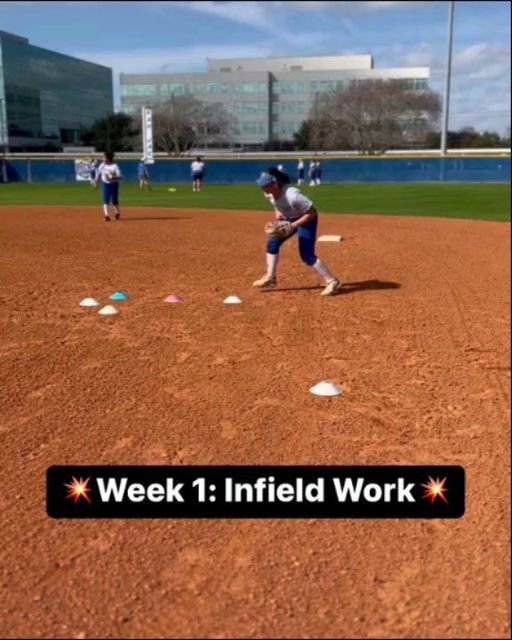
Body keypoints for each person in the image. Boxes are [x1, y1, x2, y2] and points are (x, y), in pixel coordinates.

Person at [254, 167, 342, 296]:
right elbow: (277, 206)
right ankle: (270, 277)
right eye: (262, 185)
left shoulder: (293, 195)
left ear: (275, 183)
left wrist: (294, 225)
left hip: (306, 219)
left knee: (306, 255)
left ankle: (332, 281)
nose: (263, 188)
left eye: (266, 185)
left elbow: (311, 213)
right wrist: (279, 218)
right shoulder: (269, 193)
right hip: (289, 218)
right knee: (272, 243)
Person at [94, 151, 123, 222]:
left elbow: (120, 176)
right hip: (105, 184)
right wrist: (96, 182)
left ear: (108, 158)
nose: (102, 158)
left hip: (114, 184)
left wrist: (113, 177)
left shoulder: (115, 166)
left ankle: (117, 213)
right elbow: (98, 174)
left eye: (104, 157)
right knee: (105, 200)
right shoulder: (102, 165)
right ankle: (106, 216)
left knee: (114, 200)